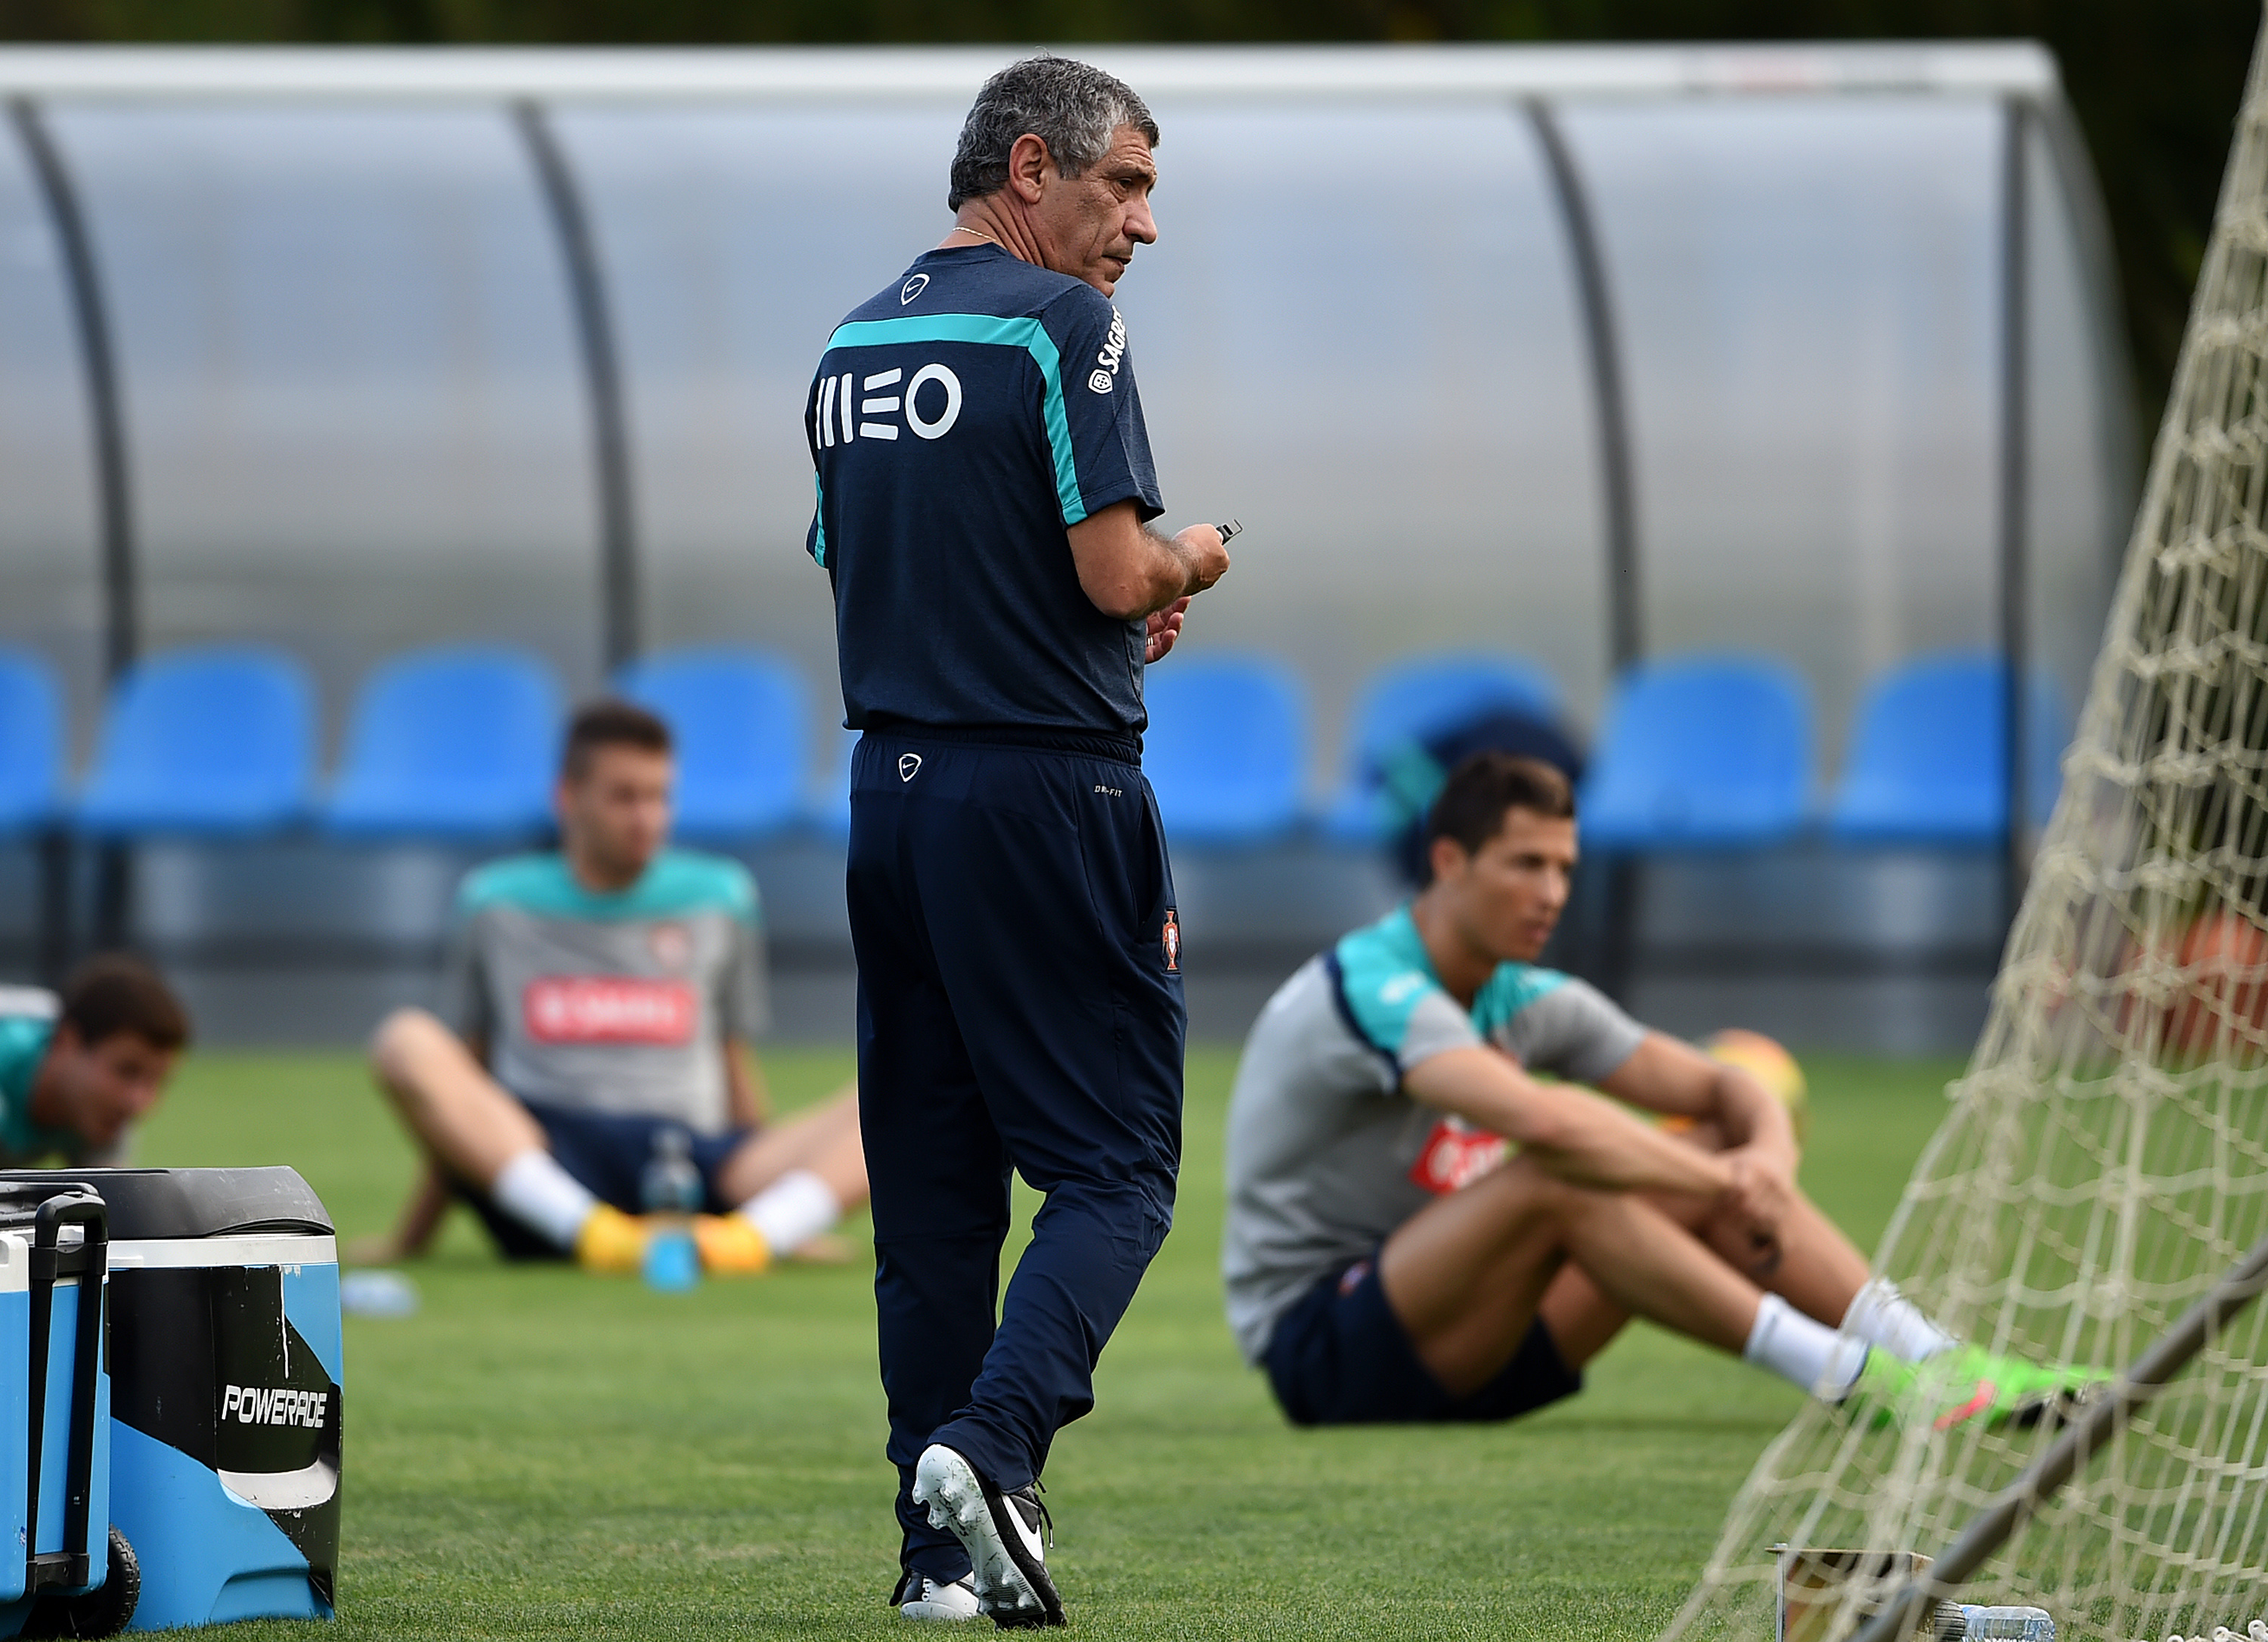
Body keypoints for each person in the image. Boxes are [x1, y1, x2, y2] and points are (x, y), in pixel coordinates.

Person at [804, 54, 1232, 1628]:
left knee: (928, 1212)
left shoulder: (855, 342)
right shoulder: (1065, 327)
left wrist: (1077, 619)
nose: (1142, 225)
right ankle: (993, 1454)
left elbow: (884, 569)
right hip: (1046, 798)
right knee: (1117, 1171)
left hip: (891, 798)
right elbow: (1119, 575)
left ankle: (937, 1576)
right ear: (1033, 164)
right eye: (1124, 184)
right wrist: (1197, 554)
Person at [1224, 751, 2105, 1437]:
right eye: (1526, 864)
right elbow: (1540, 1119)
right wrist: (1723, 1185)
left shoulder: (1524, 995)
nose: (1552, 894)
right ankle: (1848, 1380)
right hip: (1327, 1351)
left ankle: (1937, 1361)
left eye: (1565, 869)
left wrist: (1763, 1157)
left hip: (1482, 1336)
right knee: (1561, 1170)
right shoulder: (1374, 987)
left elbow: (1730, 1085)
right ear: (1449, 861)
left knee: (1706, 1139)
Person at [360, 699, 867, 1278]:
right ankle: (602, 1237)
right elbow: (464, 1081)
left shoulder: (721, 897)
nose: (647, 817)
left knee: (903, 1084)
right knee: (406, 1041)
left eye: (660, 796)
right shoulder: (495, 903)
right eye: (624, 797)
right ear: (567, 799)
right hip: (550, 1163)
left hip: (693, 1167)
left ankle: (752, 1238)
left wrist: (779, 1197)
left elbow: (731, 1059)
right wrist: (413, 1237)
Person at [0, 956, 191, 1166]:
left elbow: (113, 1195)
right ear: (67, 1042)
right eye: (127, 1071)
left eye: (157, 1081)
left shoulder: (99, 1117)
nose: (139, 1102)